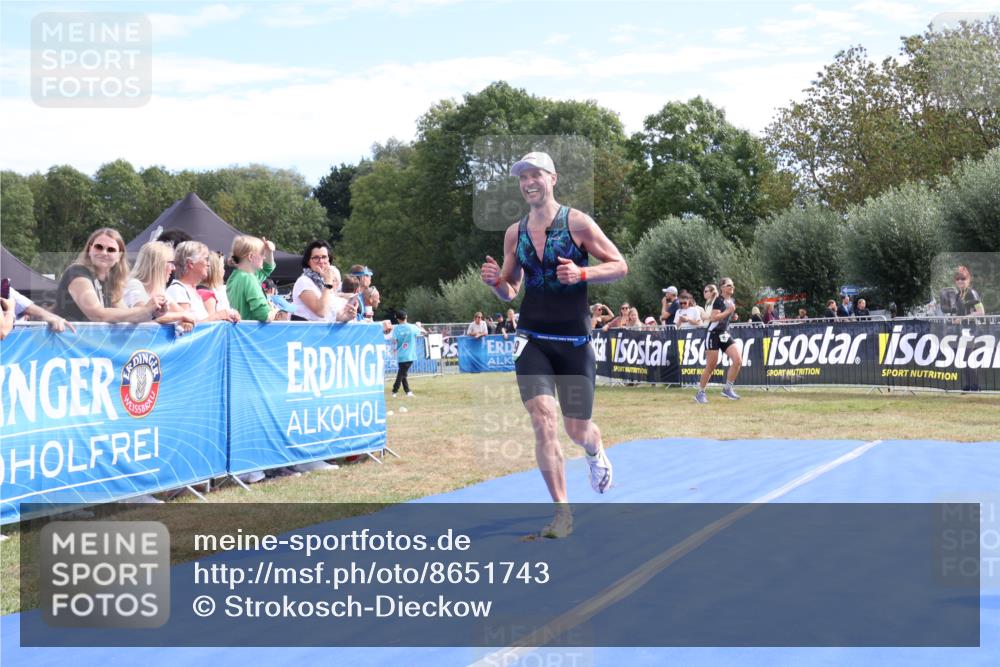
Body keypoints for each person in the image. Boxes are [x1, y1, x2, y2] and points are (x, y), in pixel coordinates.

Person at [479, 150, 627, 538]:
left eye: (536, 175)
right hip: (533, 341)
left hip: (574, 342)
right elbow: (511, 290)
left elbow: (619, 265)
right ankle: (562, 511)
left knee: (578, 430)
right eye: (522, 177)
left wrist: (582, 273)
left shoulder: (577, 223)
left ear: (552, 179)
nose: (529, 182)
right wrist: (495, 283)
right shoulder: (515, 233)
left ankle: (595, 449)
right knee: (544, 420)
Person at [55, 228, 165, 323]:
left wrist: (154, 312)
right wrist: (145, 310)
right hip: (67, 340)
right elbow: (98, 316)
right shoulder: (76, 272)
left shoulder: (111, 282)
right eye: (99, 247)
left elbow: (126, 314)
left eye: (111, 250)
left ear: (119, 256)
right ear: (89, 250)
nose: (104, 253)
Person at [123, 241, 196, 331]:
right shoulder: (134, 284)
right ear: (158, 264)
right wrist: (182, 316)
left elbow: (185, 314)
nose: (173, 268)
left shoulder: (160, 290)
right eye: (171, 262)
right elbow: (144, 315)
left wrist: (186, 320)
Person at [695, 278, 742, 404]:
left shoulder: (731, 300)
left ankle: (727, 389)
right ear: (722, 288)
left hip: (724, 334)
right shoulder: (718, 300)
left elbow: (725, 316)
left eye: (733, 285)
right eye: (729, 285)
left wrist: (732, 316)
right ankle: (700, 393)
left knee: (738, 360)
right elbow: (714, 318)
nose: (732, 287)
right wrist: (728, 312)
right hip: (713, 334)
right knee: (711, 365)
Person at [167, 241, 240, 323]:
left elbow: (197, 324)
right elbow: (185, 328)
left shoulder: (189, 290)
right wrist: (218, 316)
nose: (209, 264)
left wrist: (227, 315)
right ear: (190, 263)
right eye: (206, 259)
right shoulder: (178, 290)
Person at [226, 235, 276, 322]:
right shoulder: (249, 278)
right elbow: (264, 315)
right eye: (262, 253)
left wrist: (269, 251)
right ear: (250, 257)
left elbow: (267, 269)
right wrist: (274, 311)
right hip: (251, 330)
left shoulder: (234, 277)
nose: (264, 257)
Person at [1, 286, 75, 339]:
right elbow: (2, 332)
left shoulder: (5, 288)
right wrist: (10, 310)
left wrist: (57, 319)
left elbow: (29, 308)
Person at [391, 310, 427, 397]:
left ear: (397, 319)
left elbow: (394, 341)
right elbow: (424, 332)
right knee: (401, 374)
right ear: (406, 316)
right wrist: (419, 326)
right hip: (409, 355)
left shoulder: (396, 329)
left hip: (400, 354)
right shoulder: (412, 327)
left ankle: (408, 391)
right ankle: (395, 390)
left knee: (403, 373)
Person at [199, 252, 242, 321]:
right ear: (214, 271)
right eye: (222, 267)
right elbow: (209, 324)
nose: (224, 271)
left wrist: (231, 314)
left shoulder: (220, 290)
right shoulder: (207, 294)